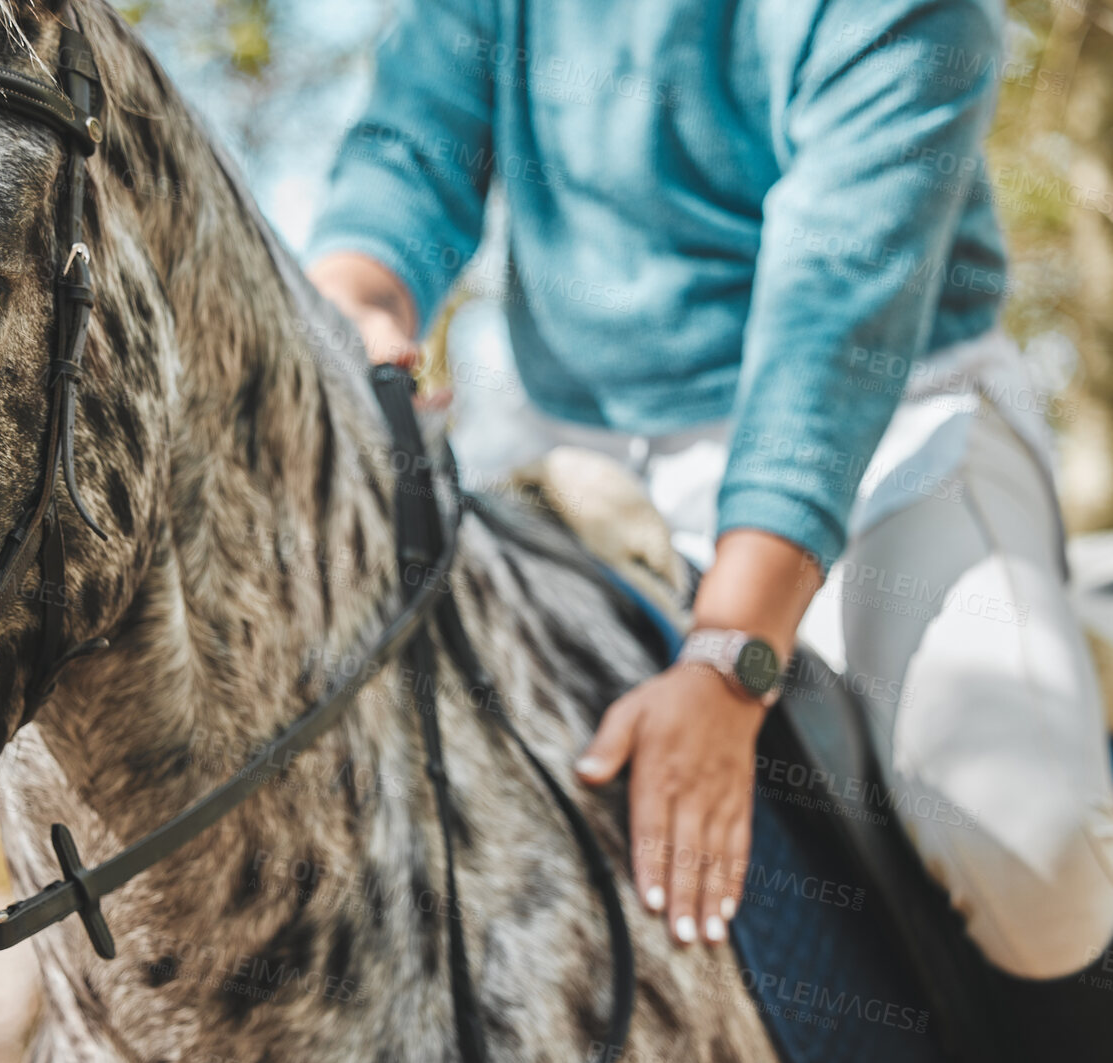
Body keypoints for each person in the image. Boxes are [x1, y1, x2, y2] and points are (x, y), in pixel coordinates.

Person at [305, 0, 1113, 979]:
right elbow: (409, 154)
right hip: (576, 439)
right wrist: (355, 306)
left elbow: (834, 331)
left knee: (1031, 865)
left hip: (892, 426)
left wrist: (732, 658)